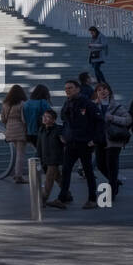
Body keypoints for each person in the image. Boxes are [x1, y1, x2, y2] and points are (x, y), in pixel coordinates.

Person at [46, 79, 102, 209]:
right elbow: (65, 122)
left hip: (85, 143)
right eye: (66, 88)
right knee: (66, 170)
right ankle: (62, 198)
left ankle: (92, 199)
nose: (67, 90)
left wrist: (95, 140)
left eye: (70, 88)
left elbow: (100, 122)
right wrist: (63, 135)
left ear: (78, 89)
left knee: (88, 171)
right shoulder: (67, 103)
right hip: (71, 143)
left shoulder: (87, 103)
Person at [96, 82, 131, 200]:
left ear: (109, 91)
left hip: (113, 140)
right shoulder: (94, 106)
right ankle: (115, 181)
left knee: (112, 166)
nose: (102, 91)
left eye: (104, 89)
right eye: (99, 90)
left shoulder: (116, 106)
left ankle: (112, 192)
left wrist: (112, 118)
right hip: (99, 140)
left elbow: (128, 120)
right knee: (100, 164)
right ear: (96, 93)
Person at [0, 86, 29, 182]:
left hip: (9, 129)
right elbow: (24, 119)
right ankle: (18, 176)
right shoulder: (22, 104)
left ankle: (16, 174)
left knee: (18, 153)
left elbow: (3, 119)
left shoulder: (5, 104)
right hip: (20, 129)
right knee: (21, 154)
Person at [36, 109, 64, 205]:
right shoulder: (41, 129)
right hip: (45, 158)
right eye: (44, 116)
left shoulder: (59, 129)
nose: (44, 118)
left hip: (55, 158)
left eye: (47, 117)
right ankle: (67, 194)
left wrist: (64, 139)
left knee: (49, 178)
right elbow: (39, 145)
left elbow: (64, 141)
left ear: (53, 120)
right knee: (57, 177)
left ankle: (43, 198)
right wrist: (37, 157)